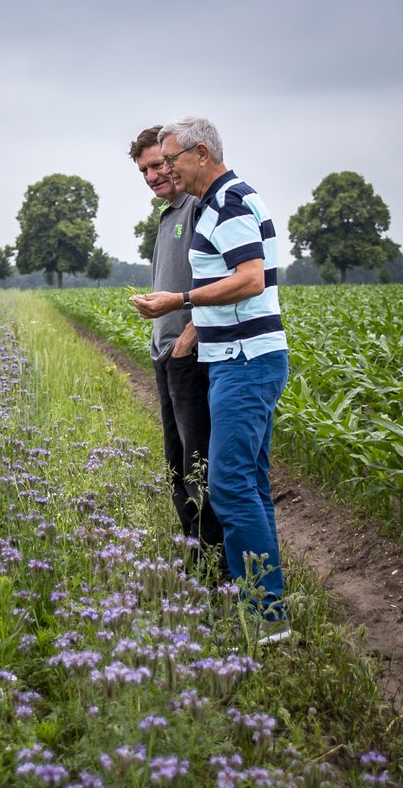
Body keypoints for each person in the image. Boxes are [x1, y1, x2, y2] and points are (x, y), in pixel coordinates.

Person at [131, 116, 291, 641]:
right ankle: (270, 612)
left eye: (171, 159)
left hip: (246, 359)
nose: (167, 170)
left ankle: (265, 615)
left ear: (200, 154)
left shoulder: (229, 203)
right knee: (248, 484)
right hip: (234, 358)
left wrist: (180, 302)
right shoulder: (219, 204)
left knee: (227, 484)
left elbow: (250, 278)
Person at [127, 126, 226, 580]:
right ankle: (195, 561)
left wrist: (189, 334)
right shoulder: (169, 214)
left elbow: (216, 280)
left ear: (177, 160)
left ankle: (216, 567)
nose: (152, 175)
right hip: (165, 353)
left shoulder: (199, 207)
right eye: (144, 168)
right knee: (174, 463)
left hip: (189, 355)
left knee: (197, 465)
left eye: (158, 164)